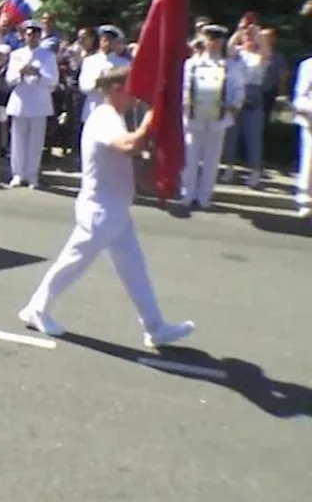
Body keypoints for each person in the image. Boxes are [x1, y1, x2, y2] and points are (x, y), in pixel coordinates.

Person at [18, 67, 195, 347]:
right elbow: (127, 146)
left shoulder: (115, 118)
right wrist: (152, 118)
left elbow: (129, 160)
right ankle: (36, 309)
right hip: (100, 209)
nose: (136, 94)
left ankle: (155, 327)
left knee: (135, 270)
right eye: (131, 87)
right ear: (115, 88)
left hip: (115, 209)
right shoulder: (105, 117)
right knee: (72, 263)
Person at [178, 25, 245, 208]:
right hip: (194, 116)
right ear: (204, 41)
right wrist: (186, 107)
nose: (213, 44)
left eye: (217, 40)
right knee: (190, 157)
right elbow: (184, 88)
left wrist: (233, 106)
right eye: (210, 40)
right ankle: (187, 193)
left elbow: (238, 88)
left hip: (218, 117)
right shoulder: (192, 63)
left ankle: (204, 196)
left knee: (211, 159)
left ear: (222, 42)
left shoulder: (229, 65)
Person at [6, 20, 59, 188]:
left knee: (36, 141)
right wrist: (20, 73)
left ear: (39, 36)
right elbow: (9, 79)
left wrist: (39, 74)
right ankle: (17, 174)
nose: (32, 37)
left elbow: (53, 81)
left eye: (35, 34)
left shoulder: (47, 55)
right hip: (20, 101)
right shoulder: (16, 54)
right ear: (24, 36)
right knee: (18, 140)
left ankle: (32, 174)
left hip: (38, 102)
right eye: (29, 34)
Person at [292, 53, 312, 219]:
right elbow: (300, 97)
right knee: (309, 162)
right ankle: (305, 200)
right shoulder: (308, 65)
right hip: (311, 122)